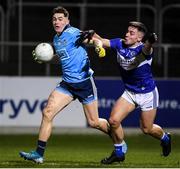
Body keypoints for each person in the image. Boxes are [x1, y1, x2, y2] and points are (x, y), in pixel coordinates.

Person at [19, 6, 110, 164]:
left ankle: (117, 136)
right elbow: (61, 57)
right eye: (54, 19)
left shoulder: (73, 33)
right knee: (48, 113)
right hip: (67, 84)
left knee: (94, 122)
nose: (57, 21)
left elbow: (93, 38)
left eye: (60, 19)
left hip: (84, 83)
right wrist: (46, 58)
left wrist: (98, 45)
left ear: (67, 20)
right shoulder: (56, 38)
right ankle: (39, 154)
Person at [93, 21, 171, 164]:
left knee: (147, 129)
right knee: (113, 120)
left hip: (147, 93)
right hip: (130, 92)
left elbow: (148, 47)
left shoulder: (144, 50)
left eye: (131, 33)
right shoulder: (120, 44)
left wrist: (150, 40)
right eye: (127, 31)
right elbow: (102, 41)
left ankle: (165, 138)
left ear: (139, 39)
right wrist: (90, 35)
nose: (127, 34)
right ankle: (119, 151)